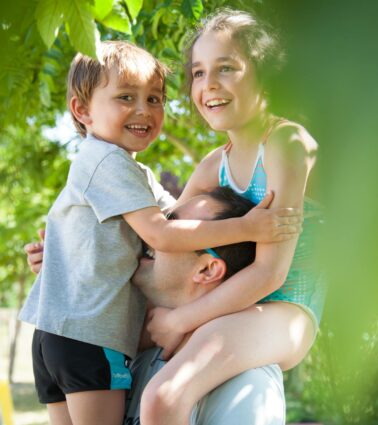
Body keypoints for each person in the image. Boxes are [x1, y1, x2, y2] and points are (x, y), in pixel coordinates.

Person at [18, 40, 300, 425]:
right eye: (126, 97)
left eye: (155, 99)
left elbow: (172, 216)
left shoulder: (133, 174)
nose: (143, 110)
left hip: (57, 333)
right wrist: (247, 227)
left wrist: (63, 258)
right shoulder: (106, 162)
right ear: (82, 110)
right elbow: (163, 235)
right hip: (89, 337)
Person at [140, 9, 325, 425]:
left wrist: (179, 321)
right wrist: (64, 252)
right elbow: (166, 238)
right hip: (227, 306)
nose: (209, 85)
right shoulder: (212, 167)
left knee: (164, 398)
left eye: (227, 68)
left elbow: (269, 274)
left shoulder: (286, 143)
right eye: (199, 73)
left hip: (284, 310)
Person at [26, 187, 286, 425]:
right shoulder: (138, 354)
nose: (149, 232)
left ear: (207, 269)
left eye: (171, 225)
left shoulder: (246, 387)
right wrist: (72, 273)